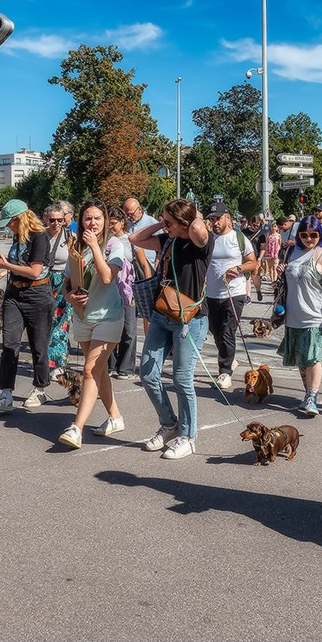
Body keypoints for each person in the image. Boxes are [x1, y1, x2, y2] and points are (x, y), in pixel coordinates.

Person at [130, 198, 210, 460]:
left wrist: (190, 214)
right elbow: (135, 238)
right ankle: (169, 424)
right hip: (162, 313)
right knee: (148, 372)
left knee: (182, 378)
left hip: (191, 317)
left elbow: (199, 229)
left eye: (169, 223)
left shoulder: (199, 244)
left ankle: (188, 436)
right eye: (163, 221)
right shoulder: (168, 240)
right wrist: (160, 224)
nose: (164, 226)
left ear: (184, 223)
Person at [57, 199, 128, 449]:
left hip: (108, 317)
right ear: (80, 221)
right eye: (88, 218)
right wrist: (69, 296)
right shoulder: (75, 246)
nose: (93, 223)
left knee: (89, 371)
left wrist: (95, 247)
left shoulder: (114, 245)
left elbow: (108, 277)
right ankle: (116, 417)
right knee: (97, 372)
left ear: (105, 221)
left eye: (98, 218)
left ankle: (77, 428)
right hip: (82, 316)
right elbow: (66, 282)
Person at [0, 199, 54, 413]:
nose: (7, 226)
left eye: (10, 222)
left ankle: (40, 388)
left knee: (38, 345)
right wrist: (5, 269)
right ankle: (5, 393)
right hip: (14, 292)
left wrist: (6, 265)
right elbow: (20, 266)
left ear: (20, 219)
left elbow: (33, 271)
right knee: (9, 343)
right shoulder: (18, 236)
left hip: (37, 294)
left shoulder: (39, 237)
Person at [275, 216, 322, 417]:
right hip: (294, 313)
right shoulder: (292, 252)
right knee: (301, 359)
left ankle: (312, 397)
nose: (309, 239)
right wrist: (280, 272)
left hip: (316, 314)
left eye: (313, 235)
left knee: (313, 358)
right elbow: (285, 281)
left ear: (319, 234)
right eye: (304, 235)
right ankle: (308, 393)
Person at [203, 201, 257, 391]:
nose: (215, 222)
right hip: (211, 294)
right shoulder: (208, 239)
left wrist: (239, 268)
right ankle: (229, 357)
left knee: (227, 331)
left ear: (227, 217)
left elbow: (253, 262)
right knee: (215, 331)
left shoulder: (239, 238)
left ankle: (224, 371)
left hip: (234, 292)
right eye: (212, 219)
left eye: (218, 218)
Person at [105, 206, 138, 380]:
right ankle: (109, 364)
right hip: (108, 289)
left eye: (114, 223)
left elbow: (141, 263)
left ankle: (125, 368)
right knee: (109, 328)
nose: (111, 227)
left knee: (129, 330)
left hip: (127, 290)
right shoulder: (105, 240)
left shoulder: (130, 240)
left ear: (123, 222)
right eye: (108, 223)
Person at [43, 201, 75, 379]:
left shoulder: (71, 236)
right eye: (52, 220)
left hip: (63, 281)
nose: (56, 224)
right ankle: (45, 360)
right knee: (45, 323)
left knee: (61, 325)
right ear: (46, 219)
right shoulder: (40, 236)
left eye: (60, 220)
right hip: (43, 282)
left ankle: (58, 364)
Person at [123, 197, 158, 336]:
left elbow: (164, 243)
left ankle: (149, 337)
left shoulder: (151, 223)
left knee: (147, 307)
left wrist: (159, 259)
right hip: (130, 269)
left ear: (140, 209)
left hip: (147, 267)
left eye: (131, 213)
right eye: (127, 214)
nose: (129, 217)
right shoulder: (125, 223)